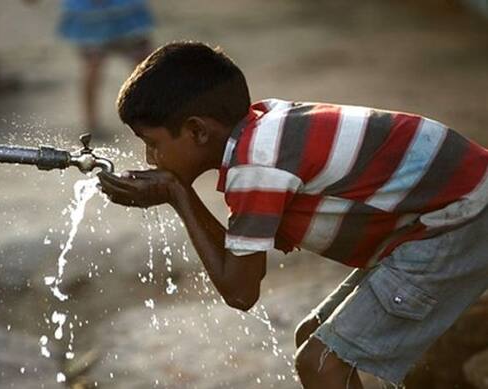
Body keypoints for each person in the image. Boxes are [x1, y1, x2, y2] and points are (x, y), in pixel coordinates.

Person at [97, 41, 488, 388]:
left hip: (460, 217)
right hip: (449, 208)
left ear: (198, 131)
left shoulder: (258, 164)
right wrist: (177, 193)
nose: (150, 158)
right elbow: (239, 262)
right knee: (314, 338)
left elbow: (240, 291)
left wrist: (177, 196)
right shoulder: (261, 132)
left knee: (321, 365)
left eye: (152, 143)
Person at [57, 0, 154, 134]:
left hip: (107, 14)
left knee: (145, 64)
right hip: (99, 14)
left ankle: (150, 114)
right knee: (94, 66)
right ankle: (91, 121)